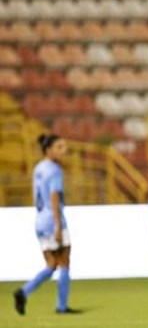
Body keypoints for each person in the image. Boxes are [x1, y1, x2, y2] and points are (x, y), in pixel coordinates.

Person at [14, 133, 80, 315]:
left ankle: (24, 291)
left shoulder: (38, 168)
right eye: (60, 147)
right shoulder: (54, 170)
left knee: (51, 265)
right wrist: (58, 226)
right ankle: (61, 306)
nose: (64, 151)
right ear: (48, 149)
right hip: (53, 220)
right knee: (64, 262)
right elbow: (54, 196)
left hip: (40, 220)